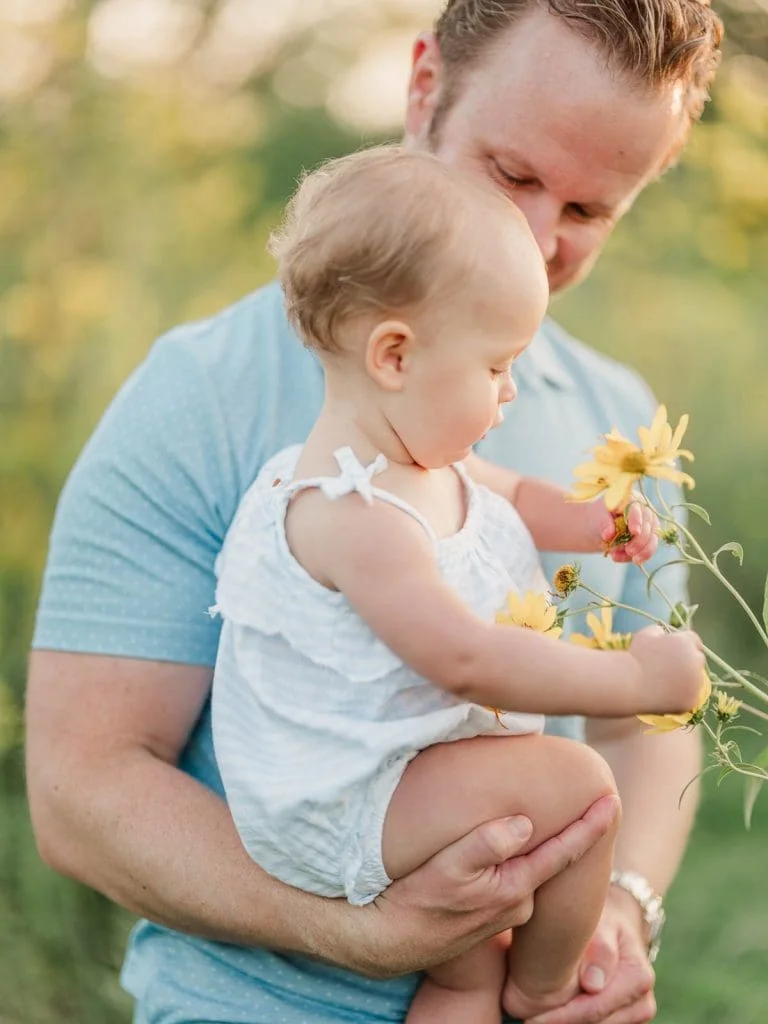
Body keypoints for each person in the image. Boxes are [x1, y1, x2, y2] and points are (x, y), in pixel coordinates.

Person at [25, 2, 723, 1022]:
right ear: (425, 88)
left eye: (587, 212)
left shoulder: (618, 424)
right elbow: (81, 795)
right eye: (515, 175)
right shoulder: (204, 396)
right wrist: (357, 930)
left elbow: (643, 732)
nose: (536, 239)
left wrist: (620, 907)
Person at [210, 145, 705, 1024]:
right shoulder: (354, 517)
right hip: (349, 801)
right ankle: (548, 992)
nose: (510, 392)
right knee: (580, 785)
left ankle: (476, 993)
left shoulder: (421, 462)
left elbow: (509, 495)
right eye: (496, 366)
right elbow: (470, 660)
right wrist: (636, 680)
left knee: (461, 967)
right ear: (395, 355)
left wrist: (597, 523)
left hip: (409, 772)